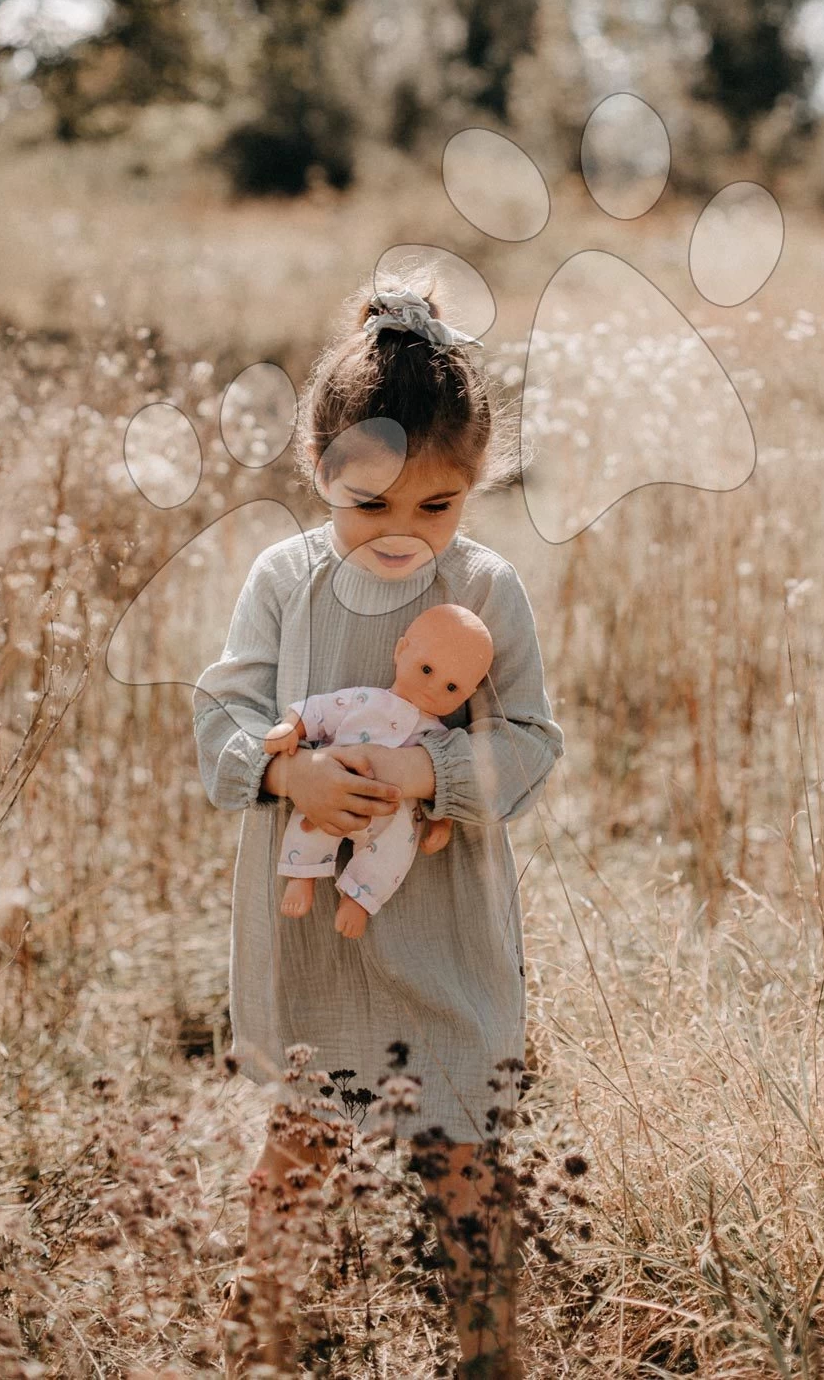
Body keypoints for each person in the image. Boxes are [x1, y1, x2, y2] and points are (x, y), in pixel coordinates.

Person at [192, 276, 565, 1377]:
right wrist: (288, 777)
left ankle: (488, 1351)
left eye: (435, 507)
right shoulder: (283, 581)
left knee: (466, 1157)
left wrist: (431, 766)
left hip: (440, 923)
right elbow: (222, 718)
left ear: (474, 487)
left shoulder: (489, 590)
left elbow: (533, 746)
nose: (404, 533)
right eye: (371, 506)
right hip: (313, 926)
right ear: (318, 474)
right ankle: (263, 1337)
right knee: (302, 1140)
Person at [265, 602, 495, 937]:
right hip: (333, 786)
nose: (434, 688)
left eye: (451, 688)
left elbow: (447, 786)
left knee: (394, 855)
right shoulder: (364, 700)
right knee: (311, 822)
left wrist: (442, 822)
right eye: (427, 670)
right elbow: (319, 711)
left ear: (468, 695)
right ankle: (302, 877)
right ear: (401, 650)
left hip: (395, 816)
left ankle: (360, 899)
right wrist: (291, 728)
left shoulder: (441, 737)